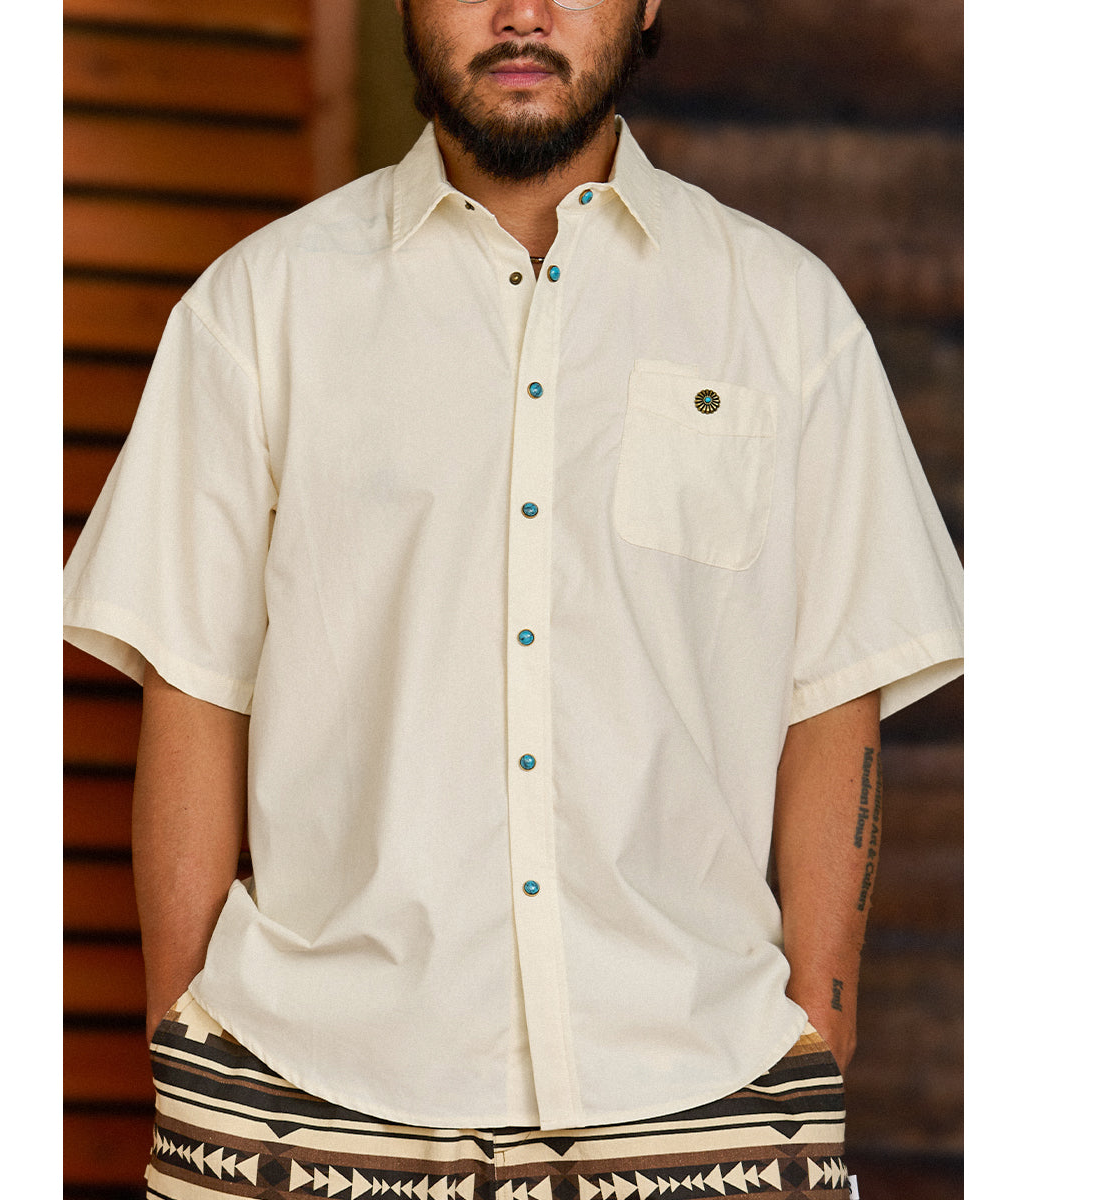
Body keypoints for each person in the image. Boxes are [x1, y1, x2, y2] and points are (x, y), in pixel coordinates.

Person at [62, 1, 963, 1197]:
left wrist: (819, 1025)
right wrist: (186, 1032)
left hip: (707, 1088)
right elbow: (195, 687)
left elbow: (834, 693)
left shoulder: (787, 317)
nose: (523, 13)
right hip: (303, 1089)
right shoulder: (258, 311)